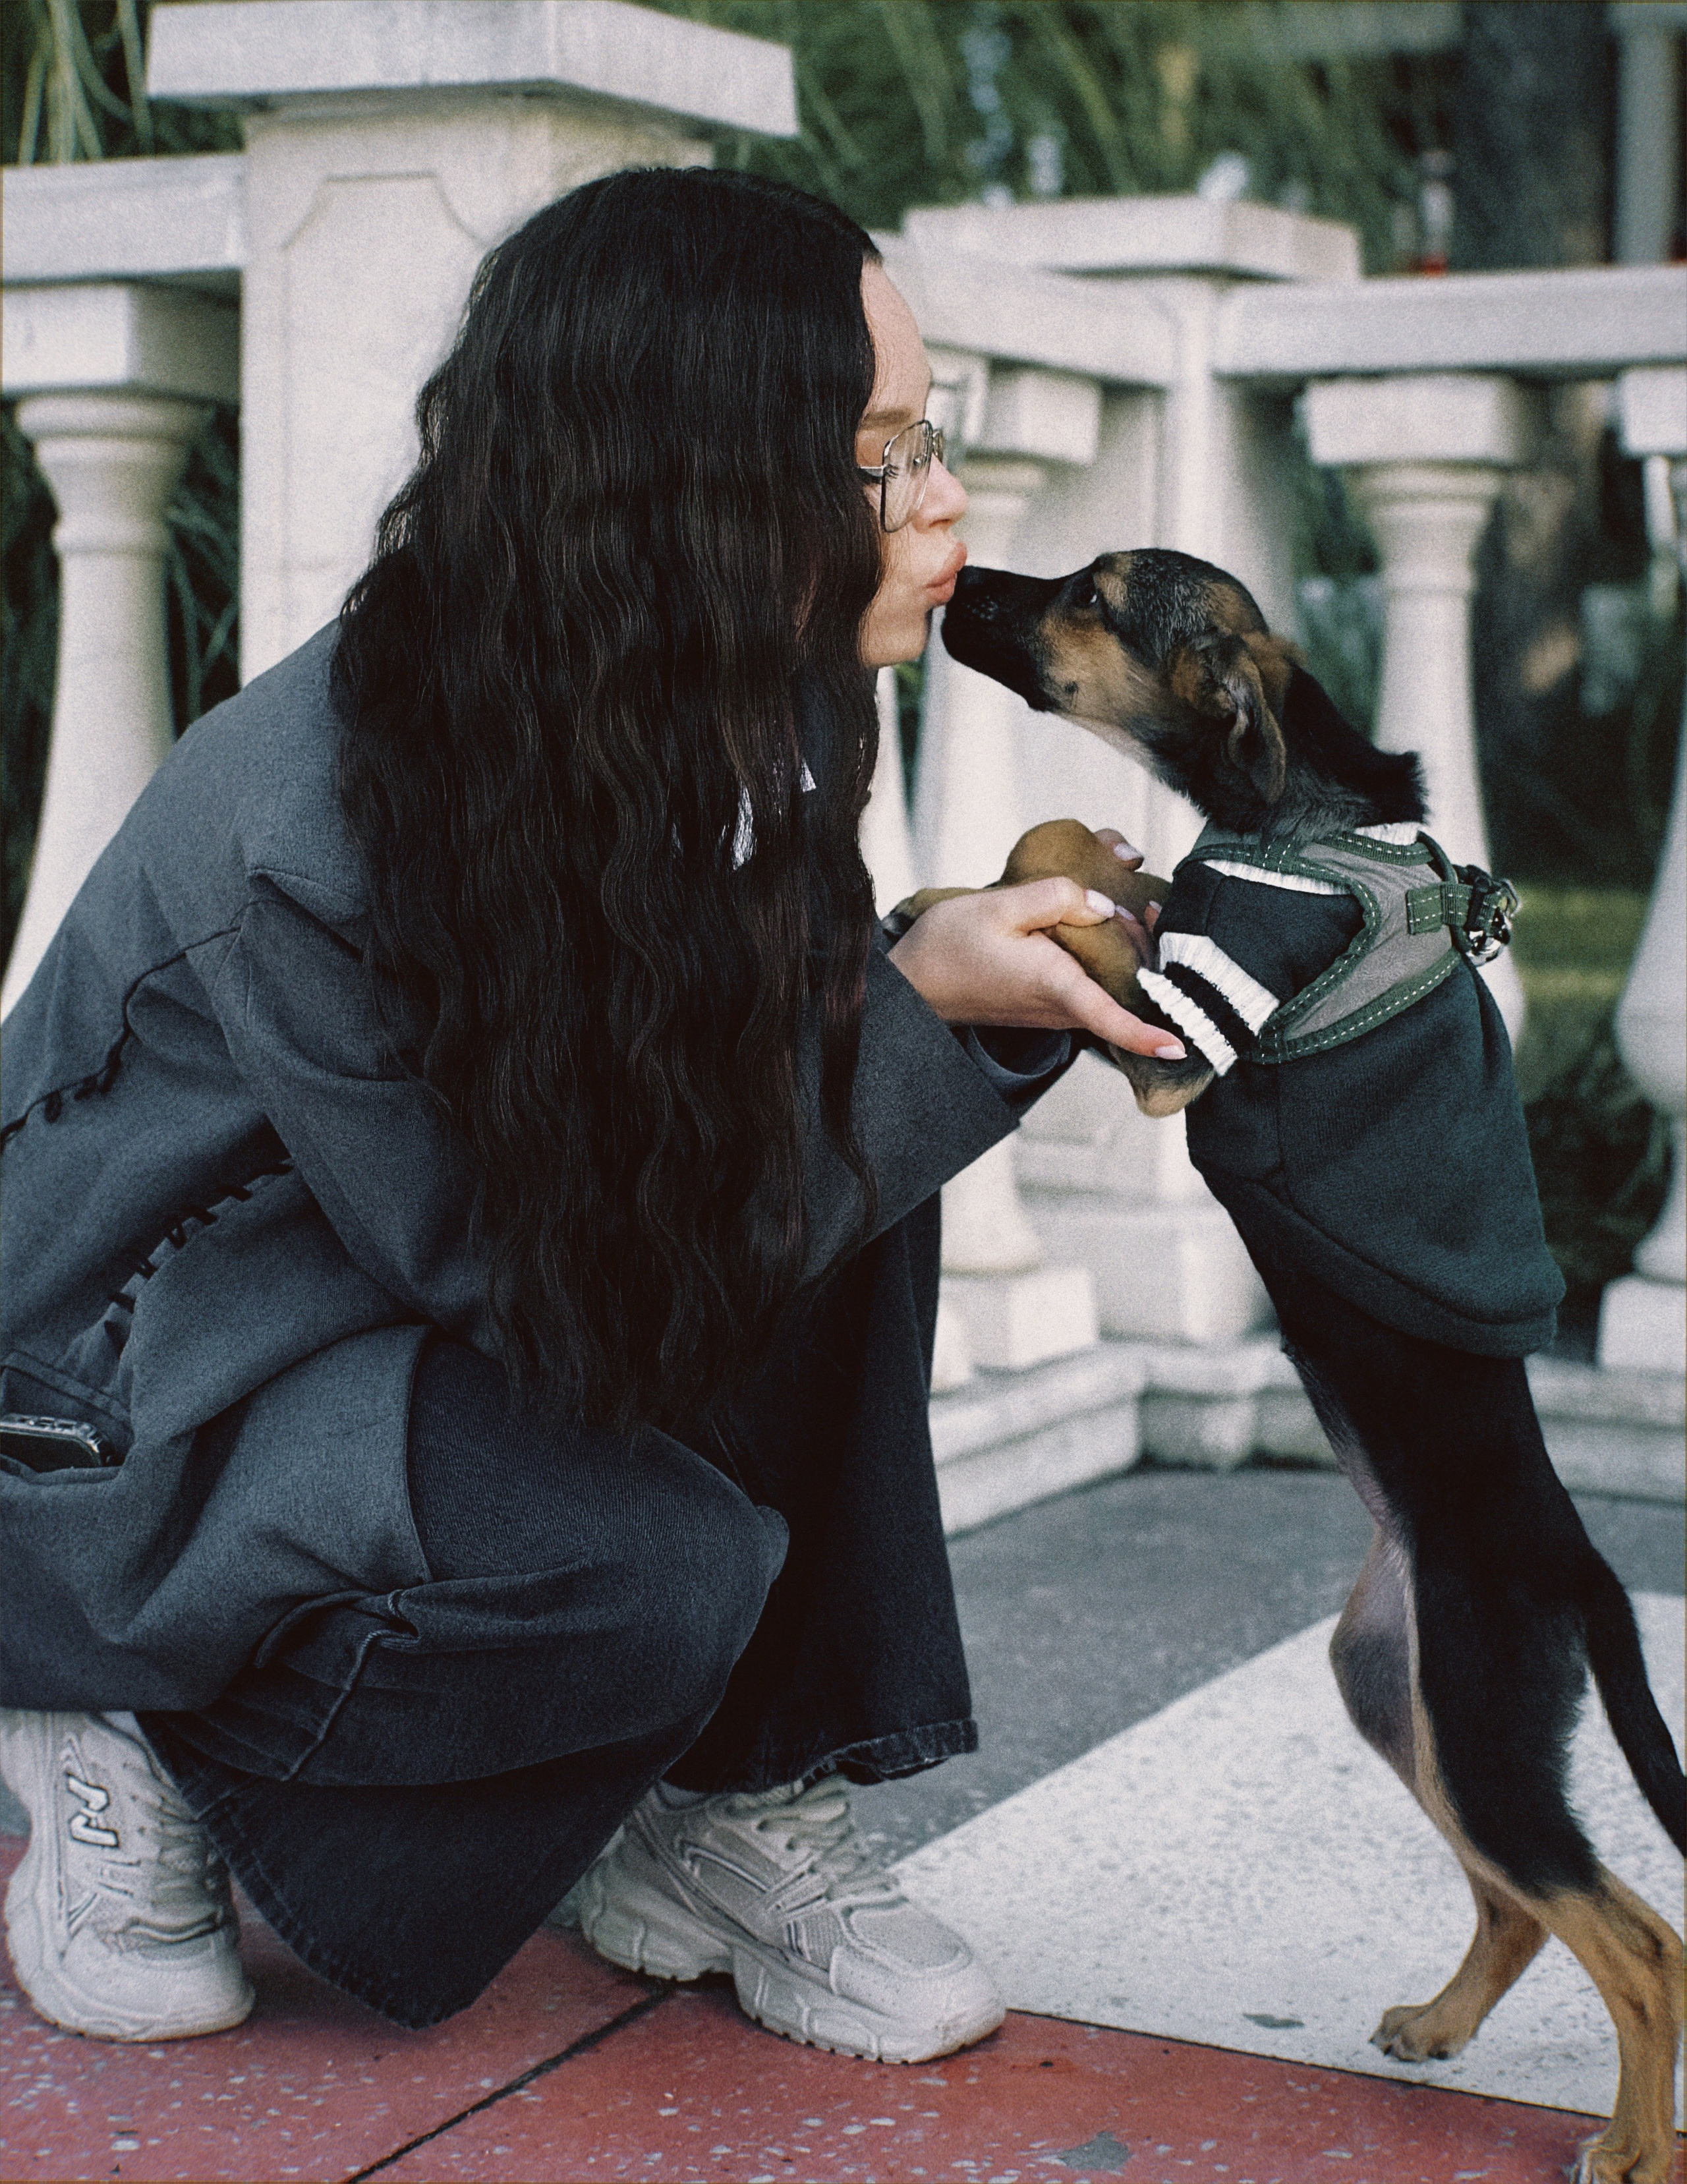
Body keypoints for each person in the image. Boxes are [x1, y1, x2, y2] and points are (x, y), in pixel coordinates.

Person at [0, 169, 1180, 2061]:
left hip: (375, 1290)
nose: (943, 496)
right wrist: (904, 1017)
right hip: (131, 1396)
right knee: (655, 1570)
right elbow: (525, 1276)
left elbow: (687, 1148)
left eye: (926, 436)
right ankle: (116, 1690)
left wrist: (927, 984)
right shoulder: (319, 829)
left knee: (860, 1084)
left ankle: (723, 1803)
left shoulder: (741, 694)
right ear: (691, 484)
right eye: (875, 457)